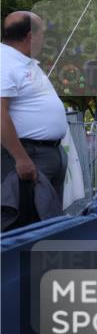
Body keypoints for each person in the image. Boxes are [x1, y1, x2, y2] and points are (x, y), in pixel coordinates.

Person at [1, 12, 69, 219]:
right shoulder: (5, 62)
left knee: (49, 220)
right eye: (43, 34)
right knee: (30, 221)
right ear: (31, 36)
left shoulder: (24, 62)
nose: (44, 40)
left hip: (47, 153)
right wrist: (21, 158)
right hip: (29, 155)